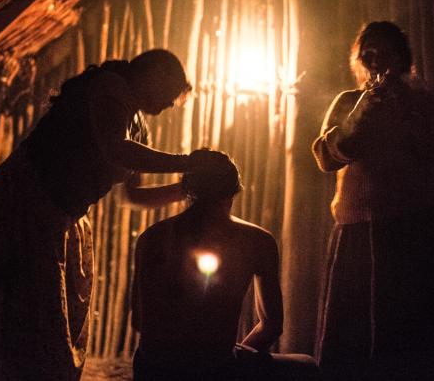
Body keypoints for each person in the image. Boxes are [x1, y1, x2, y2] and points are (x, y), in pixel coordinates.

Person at [0, 49, 221, 380]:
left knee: (55, 316)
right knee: (31, 310)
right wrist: (187, 163)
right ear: (153, 77)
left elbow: (133, 195)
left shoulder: (138, 126)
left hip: (62, 214)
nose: (169, 105)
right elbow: (116, 149)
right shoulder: (109, 87)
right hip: (31, 199)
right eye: (170, 94)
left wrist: (187, 189)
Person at [312, 22, 434, 380]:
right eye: (369, 54)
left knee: (413, 336)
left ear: (401, 58)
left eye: (385, 53)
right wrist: (360, 114)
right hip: (358, 231)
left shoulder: (421, 103)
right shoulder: (348, 101)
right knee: (356, 337)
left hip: (413, 229)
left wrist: (405, 113)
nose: (376, 60)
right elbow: (326, 158)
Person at [132, 151, 319, 380]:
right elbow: (271, 326)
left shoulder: (151, 237)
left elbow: (139, 321)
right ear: (234, 191)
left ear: (187, 190)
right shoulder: (257, 241)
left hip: (152, 369)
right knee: (306, 366)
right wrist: (226, 354)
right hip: (215, 370)